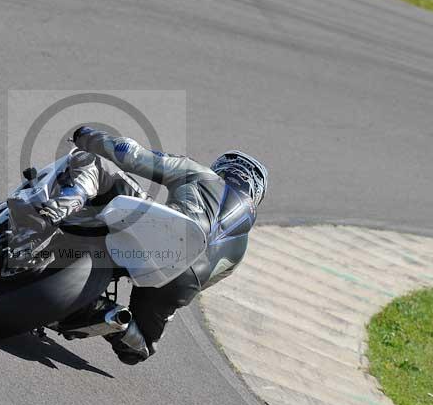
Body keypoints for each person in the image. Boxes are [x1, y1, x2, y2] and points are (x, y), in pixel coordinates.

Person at [25, 126, 268, 365]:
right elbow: (203, 284)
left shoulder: (203, 173)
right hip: (183, 281)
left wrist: (87, 136)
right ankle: (112, 319)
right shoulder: (241, 249)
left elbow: (132, 155)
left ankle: (68, 201)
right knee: (139, 349)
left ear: (224, 168)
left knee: (95, 165)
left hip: (164, 233)